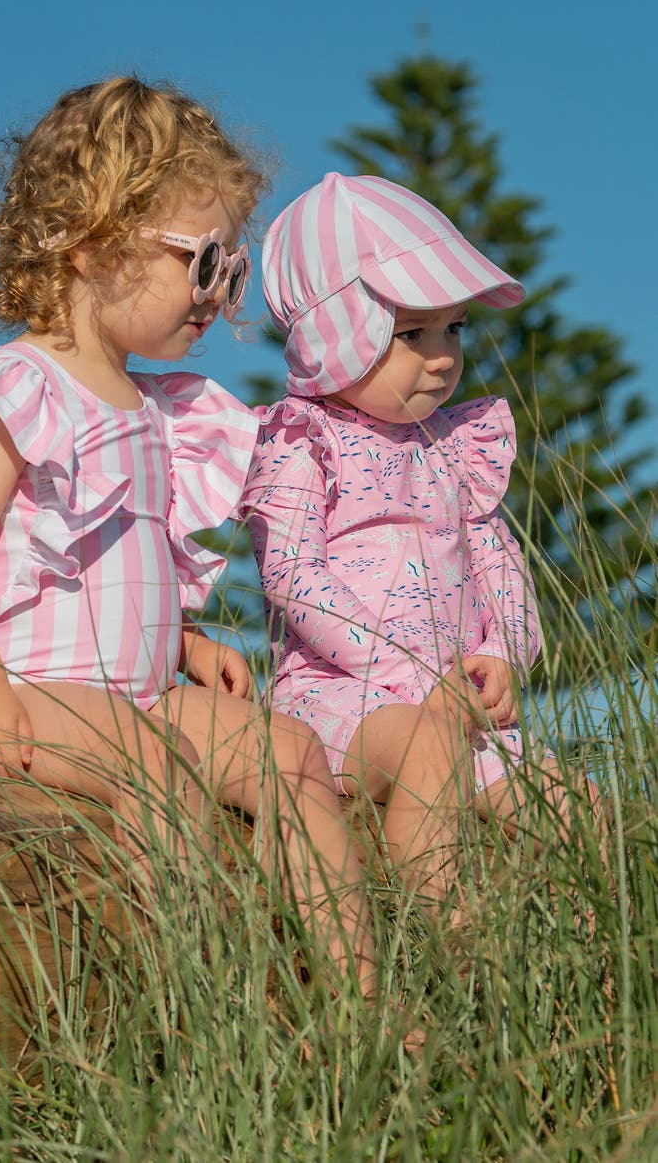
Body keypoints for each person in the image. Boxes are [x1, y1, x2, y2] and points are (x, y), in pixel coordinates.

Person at [0, 84, 378, 997]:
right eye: (204, 261)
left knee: (290, 751)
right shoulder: (16, 388)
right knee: (159, 776)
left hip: (142, 698)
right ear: (91, 240)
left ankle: (358, 997)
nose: (218, 296)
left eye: (233, 271)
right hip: (32, 696)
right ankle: (204, 1000)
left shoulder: (158, 412)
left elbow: (117, 564)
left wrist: (183, 641)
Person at [242, 172, 599, 907]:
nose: (442, 356)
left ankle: (592, 966)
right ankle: (443, 942)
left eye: (453, 328)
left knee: (580, 807)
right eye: (411, 333)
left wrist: (504, 651)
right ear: (335, 333)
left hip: (458, 708)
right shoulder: (304, 440)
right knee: (428, 755)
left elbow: (497, 558)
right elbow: (292, 576)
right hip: (343, 700)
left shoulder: (453, 445)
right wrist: (411, 676)